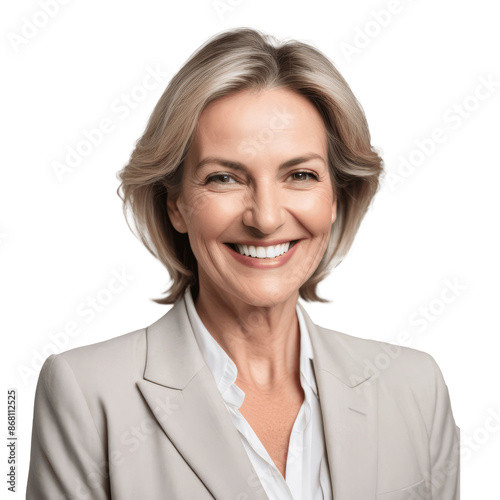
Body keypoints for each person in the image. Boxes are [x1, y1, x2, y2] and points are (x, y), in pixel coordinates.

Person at [26, 27, 460, 499]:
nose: (267, 218)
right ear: (175, 204)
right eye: (225, 178)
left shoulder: (416, 389)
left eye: (300, 174)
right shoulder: (87, 395)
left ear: (337, 195)